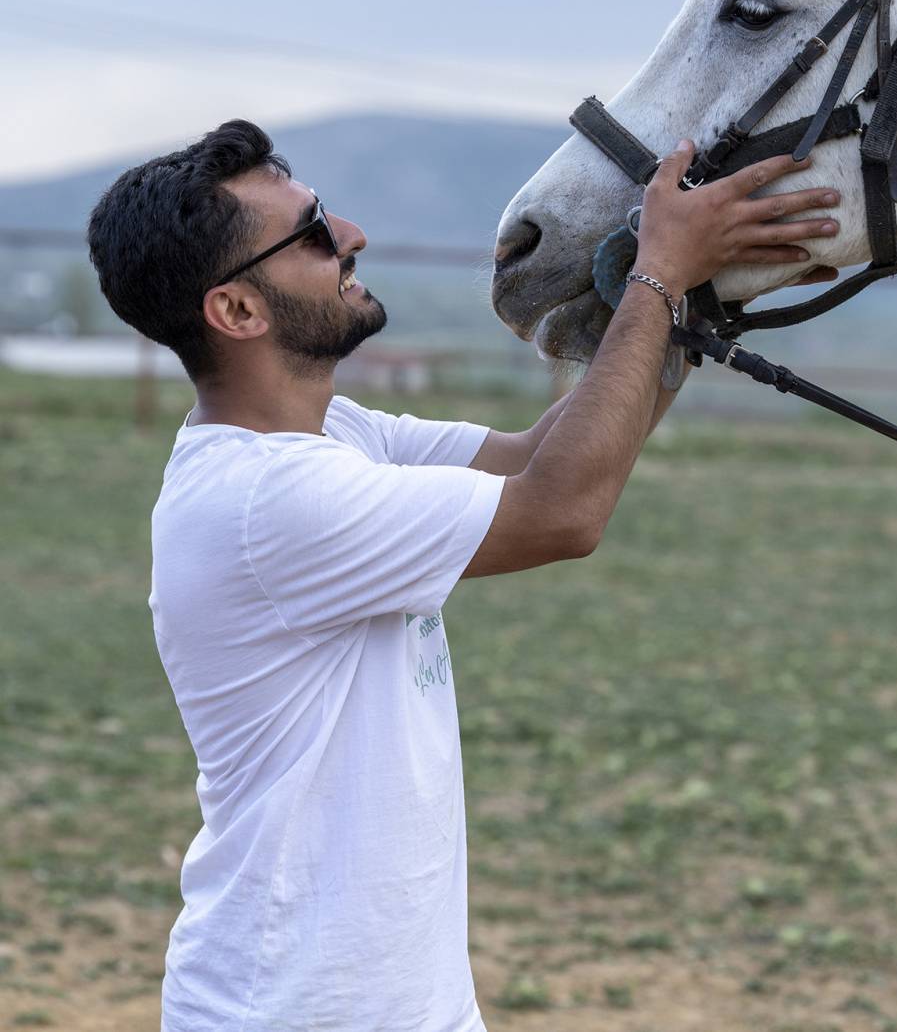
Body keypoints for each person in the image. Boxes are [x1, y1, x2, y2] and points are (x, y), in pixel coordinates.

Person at [86, 117, 839, 1032]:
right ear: (237, 312)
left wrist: (683, 297)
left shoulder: (336, 436)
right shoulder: (265, 500)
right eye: (315, 230)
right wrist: (657, 279)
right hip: (294, 1009)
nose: (351, 234)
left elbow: (546, 456)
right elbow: (562, 511)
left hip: (402, 1005)